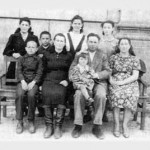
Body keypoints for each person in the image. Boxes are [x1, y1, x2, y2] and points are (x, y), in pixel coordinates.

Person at [69, 33, 111, 139]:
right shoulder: (80, 54)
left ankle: (97, 126)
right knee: (79, 95)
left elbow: (108, 71)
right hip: (83, 83)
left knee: (101, 95)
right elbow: (71, 70)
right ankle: (78, 125)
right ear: (87, 42)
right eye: (90, 42)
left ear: (98, 43)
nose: (92, 44)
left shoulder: (103, 54)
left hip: (98, 82)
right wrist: (76, 80)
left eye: (95, 42)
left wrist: (97, 75)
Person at [42, 33, 72, 139]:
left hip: (62, 81)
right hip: (48, 79)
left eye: (61, 41)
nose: (59, 43)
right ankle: (49, 126)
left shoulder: (68, 55)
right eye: (57, 40)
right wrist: (40, 84)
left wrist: (68, 81)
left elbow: (72, 71)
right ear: (54, 42)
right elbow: (42, 69)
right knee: (46, 93)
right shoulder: (47, 54)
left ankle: (58, 125)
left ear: (64, 43)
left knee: (61, 94)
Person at [108, 38, 140, 138]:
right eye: (122, 44)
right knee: (116, 94)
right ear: (118, 46)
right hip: (115, 80)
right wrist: (110, 80)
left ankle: (125, 125)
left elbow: (135, 76)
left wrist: (122, 82)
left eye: (126, 44)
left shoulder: (134, 59)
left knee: (131, 95)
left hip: (130, 81)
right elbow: (107, 71)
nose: (124, 46)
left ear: (129, 46)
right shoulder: (113, 58)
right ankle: (117, 125)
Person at [16, 40, 43, 134]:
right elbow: (19, 71)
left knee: (31, 95)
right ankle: (19, 121)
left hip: (33, 82)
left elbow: (40, 72)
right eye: (29, 47)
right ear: (26, 48)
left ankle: (31, 120)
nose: (31, 49)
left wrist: (34, 82)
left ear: (36, 49)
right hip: (22, 81)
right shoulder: (21, 59)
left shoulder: (39, 60)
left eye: (33, 47)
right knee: (20, 95)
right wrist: (23, 81)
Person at [3, 17, 39, 85]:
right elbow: (6, 50)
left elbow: (37, 51)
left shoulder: (34, 37)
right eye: (22, 24)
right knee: (13, 84)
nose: (24, 27)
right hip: (15, 65)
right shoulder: (14, 36)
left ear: (29, 26)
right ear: (19, 25)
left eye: (26, 25)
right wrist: (13, 53)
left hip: (30, 65)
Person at [65, 15, 87, 119]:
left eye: (79, 23)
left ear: (82, 25)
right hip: (67, 64)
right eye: (75, 23)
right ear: (71, 24)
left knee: (77, 84)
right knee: (69, 86)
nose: (77, 25)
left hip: (78, 66)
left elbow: (84, 53)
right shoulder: (66, 35)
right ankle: (70, 110)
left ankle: (75, 111)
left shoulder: (85, 37)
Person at [99, 20, 119, 122]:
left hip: (112, 70)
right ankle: (94, 112)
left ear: (112, 29)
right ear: (102, 29)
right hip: (100, 69)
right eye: (105, 27)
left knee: (108, 90)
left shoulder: (116, 42)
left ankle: (104, 112)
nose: (106, 29)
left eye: (109, 27)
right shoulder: (99, 40)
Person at [36, 31, 52, 117]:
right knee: (38, 88)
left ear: (50, 40)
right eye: (43, 39)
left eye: (47, 38)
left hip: (49, 74)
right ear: (40, 40)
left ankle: (49, 111)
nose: (45, 40)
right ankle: (41, 111)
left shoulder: (53, 49)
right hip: (39, 75)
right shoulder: (37, 50)